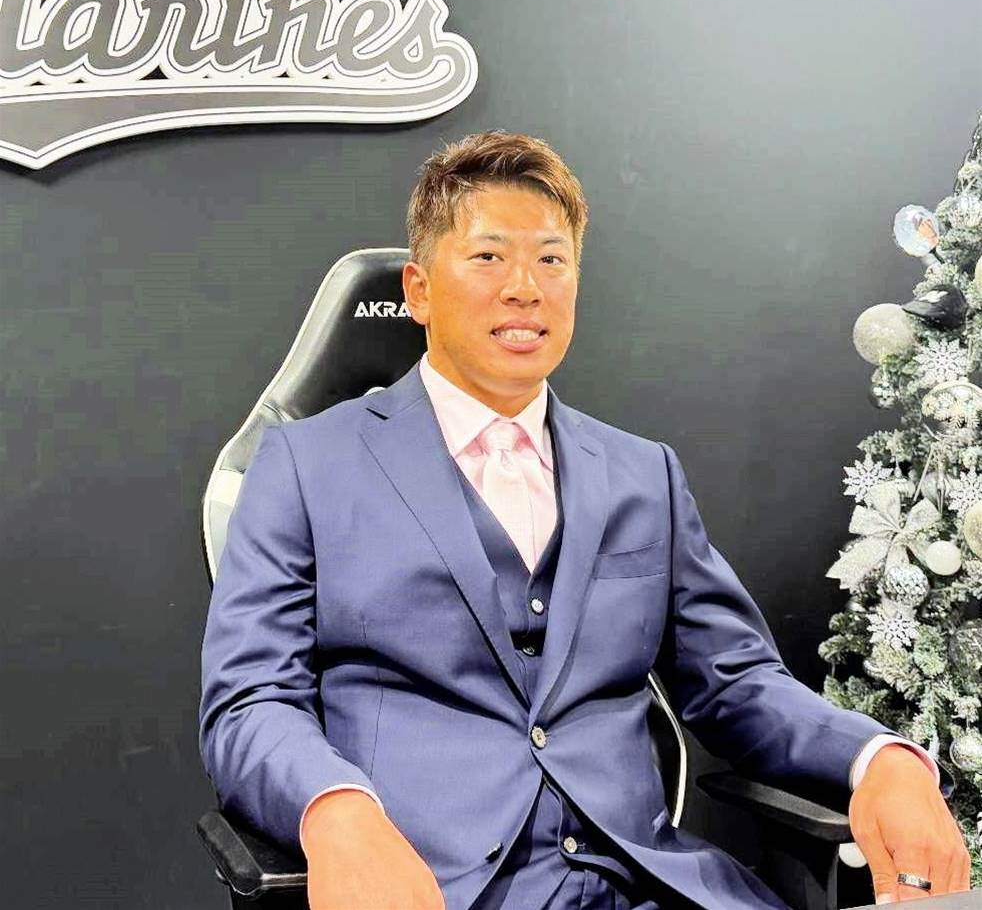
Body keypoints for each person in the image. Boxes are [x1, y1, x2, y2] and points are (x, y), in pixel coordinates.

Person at [198, 130, 971, 910]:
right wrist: (336, 811)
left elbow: (736, 681)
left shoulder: (643, 473)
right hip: (437, 888)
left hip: (649, 884)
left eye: (552, 259)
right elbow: (249, 701)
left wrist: (879, 758)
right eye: (489, 256)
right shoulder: (303, 465)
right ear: (419, 290)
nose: (525, 287)